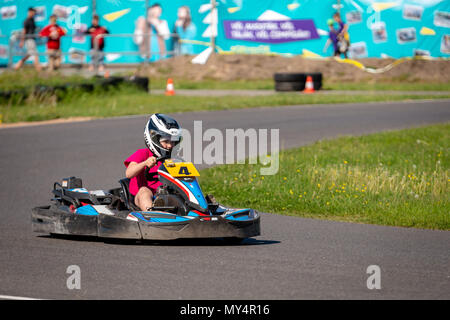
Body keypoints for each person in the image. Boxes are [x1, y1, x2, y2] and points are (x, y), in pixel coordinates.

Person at [124, 114, 182, 211]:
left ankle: (200, 208)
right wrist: (144, 163)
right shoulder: (143, 154)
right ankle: (151, 212)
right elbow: (129, 173)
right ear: (154, 138)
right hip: (142, 196)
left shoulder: (174, 159)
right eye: (166, 141)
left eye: (172, 142)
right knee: (144, 191)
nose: (170, 146)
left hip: (166, 195)